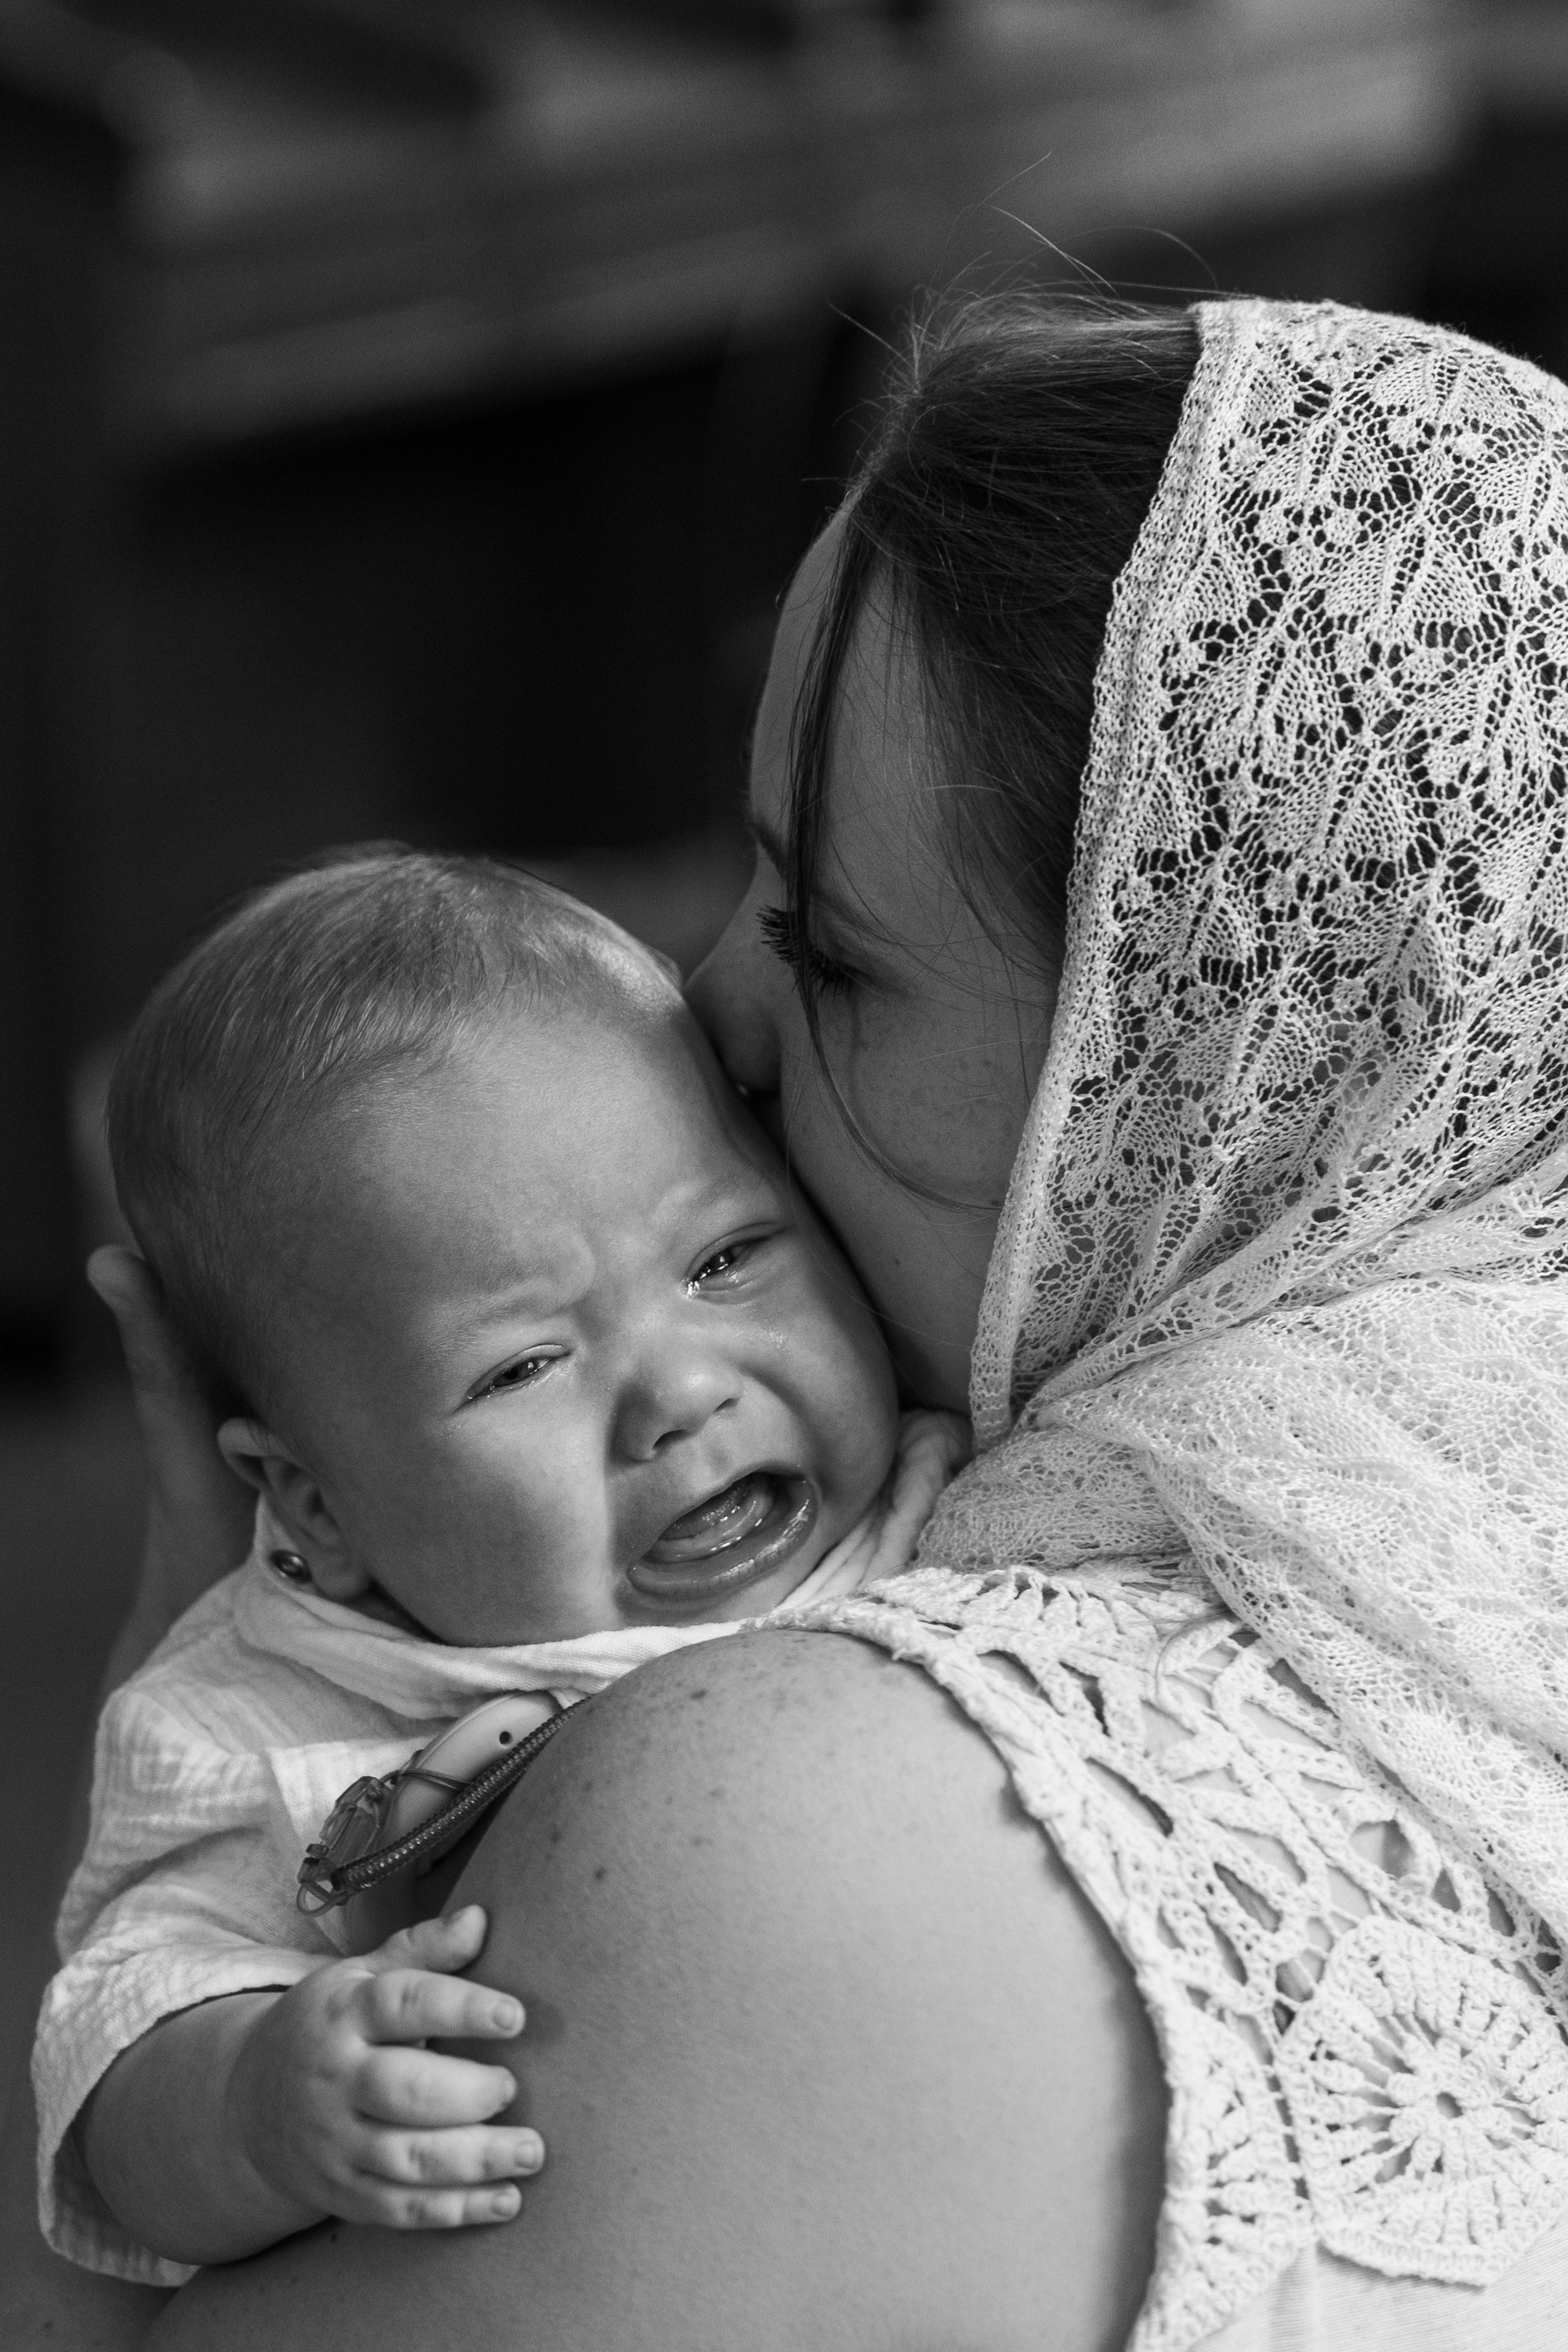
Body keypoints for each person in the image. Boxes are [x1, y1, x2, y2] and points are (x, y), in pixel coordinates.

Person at [11, 285, 1568, 2350]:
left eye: (829, 950)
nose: (713, 1014)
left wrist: (175, 1613)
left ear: (1183, 1083)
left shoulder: (786, 1837)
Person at [34, 849, 960, 2283]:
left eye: (725, 1257)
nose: (681, 1392)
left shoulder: (946, 1478)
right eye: (521, 1364)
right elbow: (114, 2036)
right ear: (318, 1505)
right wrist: (258, 2102)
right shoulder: (271, 1716)